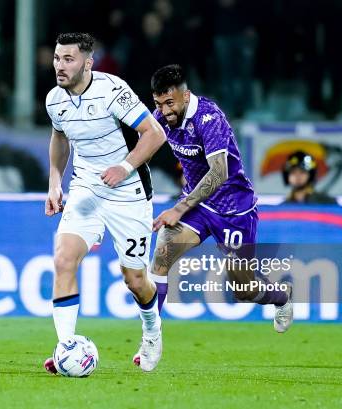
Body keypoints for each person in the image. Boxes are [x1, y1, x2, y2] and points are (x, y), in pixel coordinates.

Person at [136, 65, 293, 364]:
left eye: (170, 103)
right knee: (162, 253)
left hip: (235, 208)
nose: (165, 111)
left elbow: (219, 172)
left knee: (243, 289)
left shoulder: (209, 117)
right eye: (158, 104)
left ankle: (281, 298)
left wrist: (179, 207)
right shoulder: (162, 120)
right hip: (198, 205)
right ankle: (151, 337)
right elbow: (140, 149)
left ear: (185, 95)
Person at [43, 33, 167, 373]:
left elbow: (155, 133)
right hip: (86, 189)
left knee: (135, 280)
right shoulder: (55, 100)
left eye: (68, 59)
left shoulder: (113, 90)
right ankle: (66, 346)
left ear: (87, 62)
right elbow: (59, 136)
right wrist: (55, 181)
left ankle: (152, 329)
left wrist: (124, 166)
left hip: (128, 192)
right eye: (57, 58)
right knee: (64, 258)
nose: (60, 66)